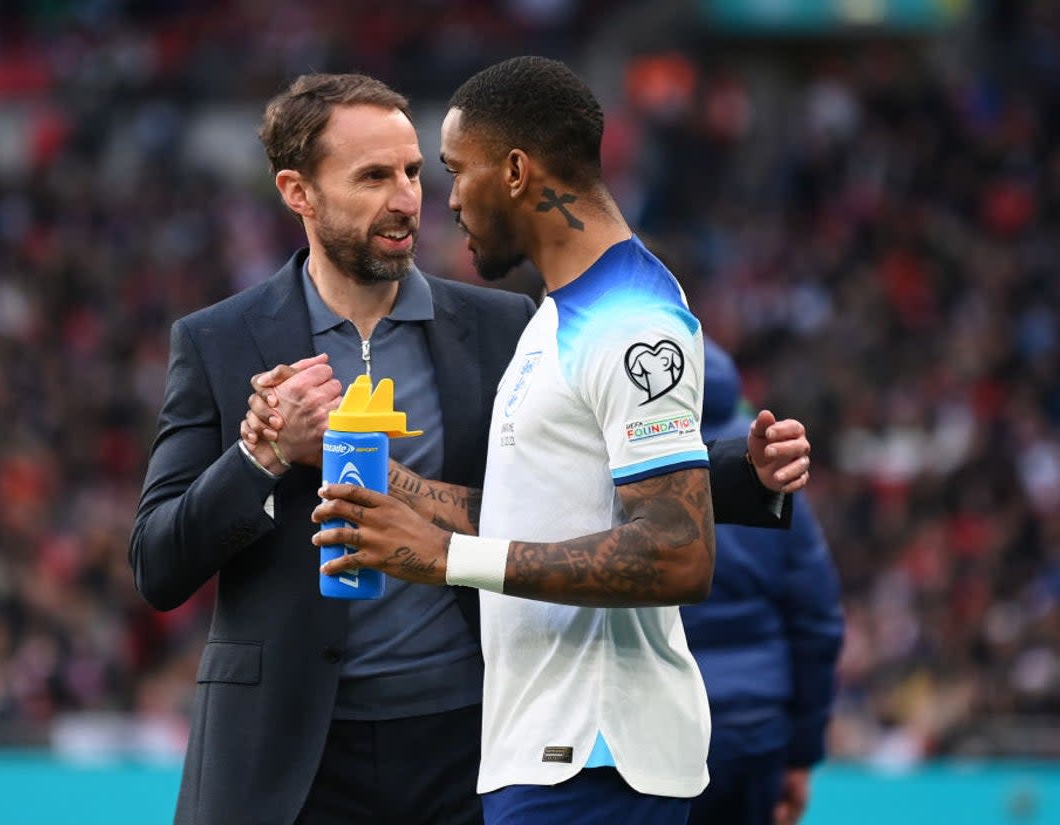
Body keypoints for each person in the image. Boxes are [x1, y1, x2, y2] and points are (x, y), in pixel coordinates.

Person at [132, 71, 809, 825]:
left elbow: (558, 483)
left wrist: (743, 475)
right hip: (287, 756)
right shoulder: (220, 341)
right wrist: (259, 454)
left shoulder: (504, 323)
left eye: (417, 172)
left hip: (465, 740)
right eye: (374, 176)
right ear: (298, 191)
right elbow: (158, 563)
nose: (409, 198)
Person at [682, 340, 843, 825]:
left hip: (656, 728)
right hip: (753, 731)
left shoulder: (626, 457)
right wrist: (800, 754)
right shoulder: (772, 464)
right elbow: (817, 623)